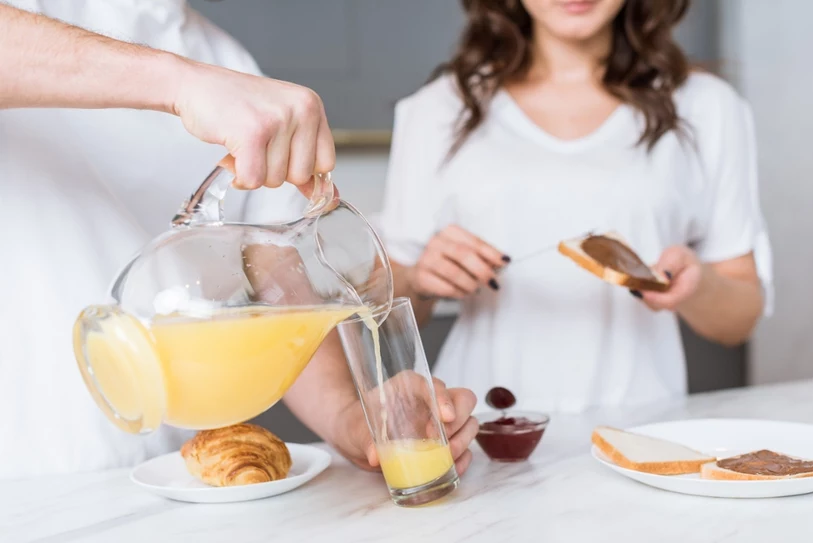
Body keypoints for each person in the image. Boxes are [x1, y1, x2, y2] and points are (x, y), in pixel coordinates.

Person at [0, 1, 477, 478]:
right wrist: (179, 83)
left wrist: (350, 417)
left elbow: (280, 288)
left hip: (168, 473)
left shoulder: (225, 59)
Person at [377, 0, 772, 414]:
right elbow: (382, 321)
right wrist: (420, 278)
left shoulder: (707, 106)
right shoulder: (438, 108)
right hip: (478, 425)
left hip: (640, 422)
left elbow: (739, 321)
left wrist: (697, 285)